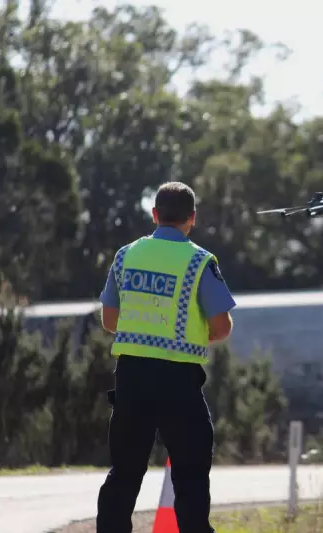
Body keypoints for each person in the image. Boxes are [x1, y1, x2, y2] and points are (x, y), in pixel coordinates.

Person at [95, 181, 236, 533]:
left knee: (124, 472)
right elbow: (221, 327)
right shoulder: (200, 261)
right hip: (178, 381)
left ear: (155, 214)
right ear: (192, 218)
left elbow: (110, 320)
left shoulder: (126, 256)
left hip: (132, 378)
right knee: (190, 474)